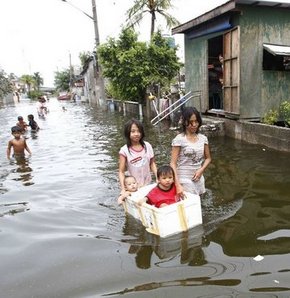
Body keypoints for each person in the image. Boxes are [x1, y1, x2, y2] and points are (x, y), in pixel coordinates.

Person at [170, 107, 211, 198]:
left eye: (196, 121)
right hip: (184, 179)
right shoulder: (179, 139)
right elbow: (173, 163)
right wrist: (177, 184)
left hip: (199, 178)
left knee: (199, 205)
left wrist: (202, 169)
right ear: (184, 122)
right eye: (191, 122)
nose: (194, 125)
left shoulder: (203, 139)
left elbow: (208, 158)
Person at [119, 118, 157, 194]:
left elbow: (152, 163)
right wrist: (123, 189)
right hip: (133, 187)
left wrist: (157, 177)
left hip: (147, 184)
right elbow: (121, 171)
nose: (136, 134)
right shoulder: (124, 150)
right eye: (133, 131)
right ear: (128, 133)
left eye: (139, 131)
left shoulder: (147, 146)